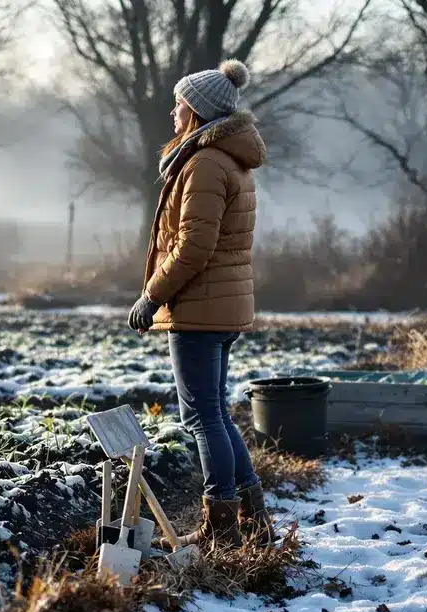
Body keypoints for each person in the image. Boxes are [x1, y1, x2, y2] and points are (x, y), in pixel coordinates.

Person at [127, 59, 272, 548]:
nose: (172, 113)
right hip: (218, 306)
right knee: (214, 413)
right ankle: (251, 517)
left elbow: (193, 246)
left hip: (200, 306)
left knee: (202, 417)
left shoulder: (206, 162)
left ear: (195, 112)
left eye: (179, 104)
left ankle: (222, 528)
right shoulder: (224, 157)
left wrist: (152, 295)